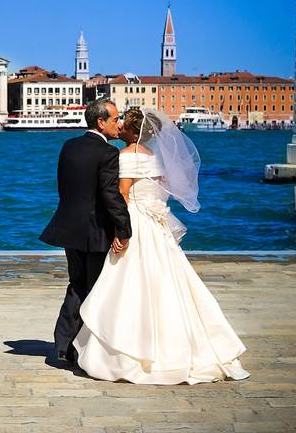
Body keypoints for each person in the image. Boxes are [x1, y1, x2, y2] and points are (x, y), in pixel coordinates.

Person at [73, 107, 249, 384]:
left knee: (129, 285)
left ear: (133, 131)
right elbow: (159, 192)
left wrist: (120, 230)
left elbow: (121, 194)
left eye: (122, 124)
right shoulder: (156, 158)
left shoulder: (124, 157)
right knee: (168, 282)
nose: (117, 127)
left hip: (135, 222)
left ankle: (128, 352)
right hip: (157, 224)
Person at [40, 98, 132, 364]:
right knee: (94, 288)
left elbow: (64, 188)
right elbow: (110, 196)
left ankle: (64, 344)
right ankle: (85, 349)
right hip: (95, 231)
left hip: (70, 227)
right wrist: (124, 230)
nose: (119, 124)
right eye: (115, 119)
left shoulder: (69, 146)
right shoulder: (108, 153)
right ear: (101, 122)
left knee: (78, 284)